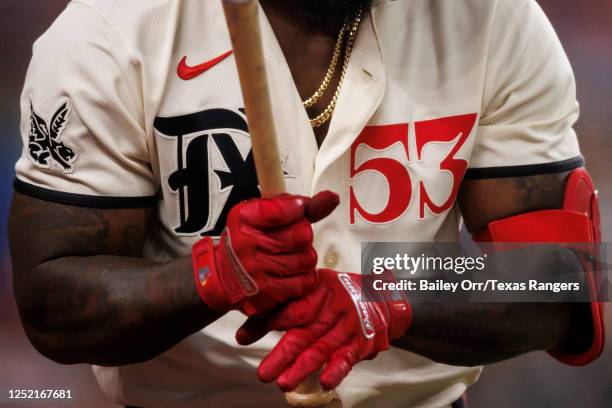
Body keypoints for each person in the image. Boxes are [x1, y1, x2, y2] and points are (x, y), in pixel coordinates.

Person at [9, 0, 604, 407]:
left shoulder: (492, 18)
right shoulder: (109, 29)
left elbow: (566, 281)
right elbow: (52, 298)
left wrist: (386, 295)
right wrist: (213, 276)